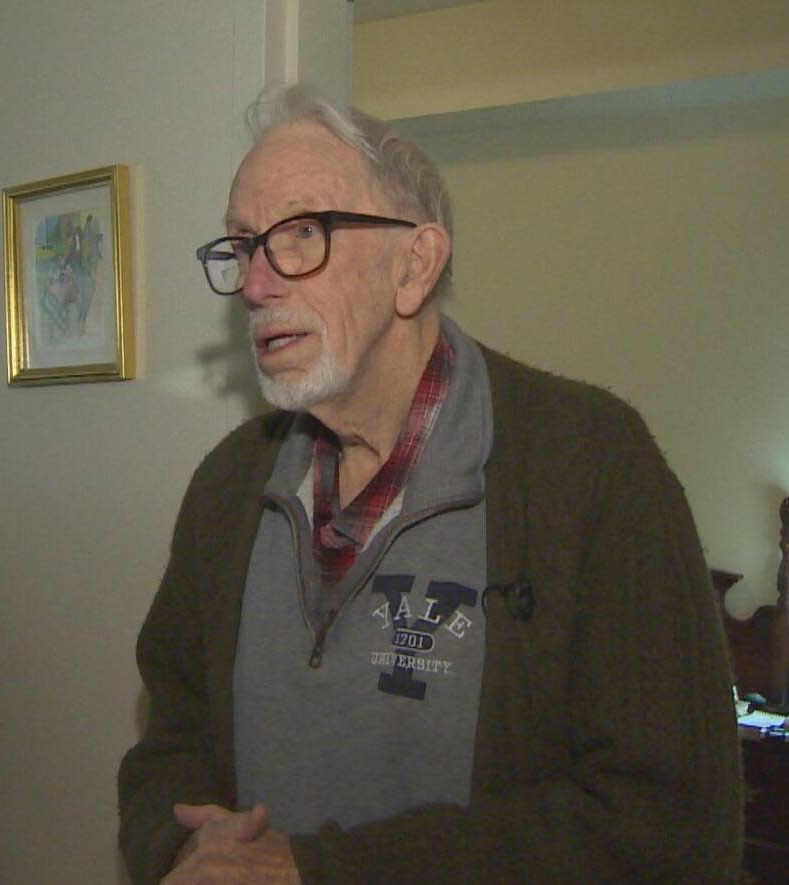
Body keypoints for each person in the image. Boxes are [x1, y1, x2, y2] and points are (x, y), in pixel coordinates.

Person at [118, 83, 744, 884]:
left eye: (301, 233)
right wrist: (182, 848)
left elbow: (669, 821)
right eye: (242, 246)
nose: (255, 284)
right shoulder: (228, 486)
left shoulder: (593, 466)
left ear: (414, 266)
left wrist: (321, 870)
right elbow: (169, 742)